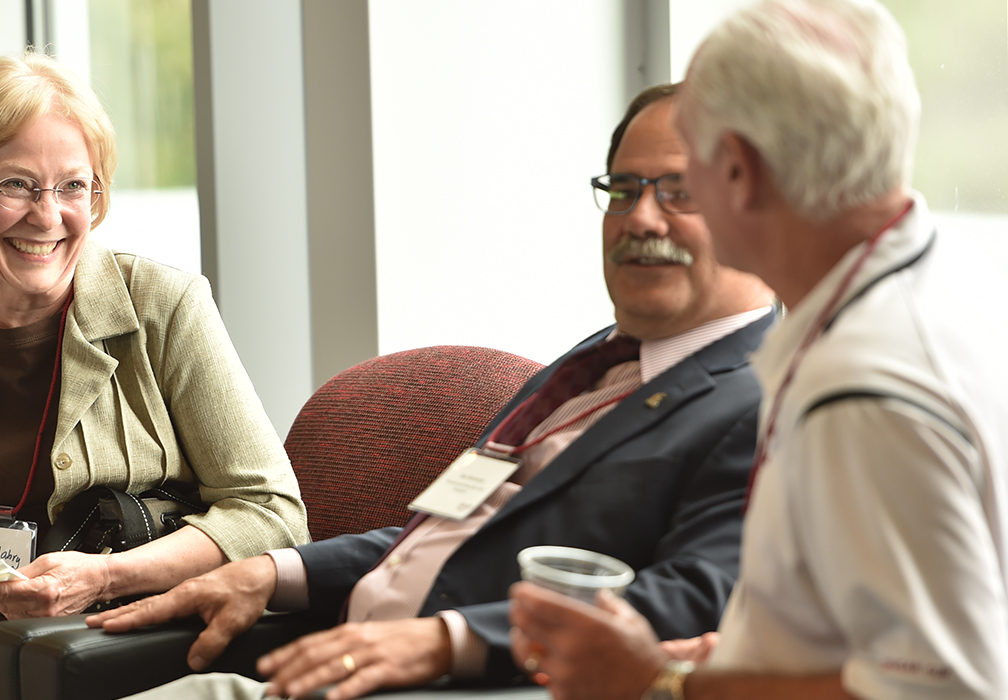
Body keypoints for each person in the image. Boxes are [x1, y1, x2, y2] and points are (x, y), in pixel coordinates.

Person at [88, 82, 777, 700]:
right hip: (325, 660)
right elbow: (452, 530)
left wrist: (443, 640)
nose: (641, 219)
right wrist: (274, 572)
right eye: (623, 190)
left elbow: (693, 602)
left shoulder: (768, 404)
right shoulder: (592, 365)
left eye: (679, 192)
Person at [509, 1, 1008, 699]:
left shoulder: (864, 386)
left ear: (737, 171)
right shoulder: (940, 287)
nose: (650, 211)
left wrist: (659, 683)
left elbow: (939, 689)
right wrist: (745, 649)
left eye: (684, 177)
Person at [0, 51, 308, 699]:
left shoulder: (164, 304)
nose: (47, 216)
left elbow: (272, 514)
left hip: (99, 626)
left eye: (74, 185)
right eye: (16, 185)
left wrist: (107, 576)